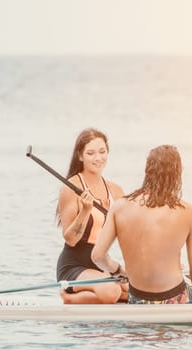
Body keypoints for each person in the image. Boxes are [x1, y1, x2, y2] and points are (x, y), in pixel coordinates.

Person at [92, 145, 192, 304]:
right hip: (175, 297)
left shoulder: (119, 207)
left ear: (148, 171)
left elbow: (98, 256)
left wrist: (118, 271)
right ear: (177, 174)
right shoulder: (189, 213)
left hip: (137, 298)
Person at [55, 128, 127, 304]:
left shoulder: (115, 191)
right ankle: (69, 298)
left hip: (101, 263)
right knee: (112, 292)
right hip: (74, 264)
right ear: (80, 156)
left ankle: (108, 291)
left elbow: (128, 233)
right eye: (91, 153)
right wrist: (85, 211)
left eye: (102, 152)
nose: (98, 158)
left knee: (137, 290)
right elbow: (71, 239)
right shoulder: (71, 187)